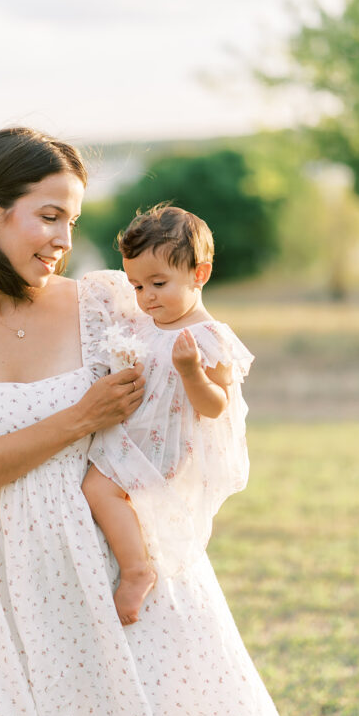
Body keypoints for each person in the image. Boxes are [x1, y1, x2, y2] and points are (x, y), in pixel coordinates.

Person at [0, 127, 297, 716]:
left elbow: (197, 367)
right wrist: (80, 418)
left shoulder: (106, 303)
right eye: (49, 217)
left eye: (72, 221)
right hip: (15, 597)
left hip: (131, 584)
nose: (64, 241)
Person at [82, 205, 245, 626]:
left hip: (164, 445)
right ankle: (138, 556)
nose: (146, 297)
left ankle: (137, 570)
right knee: (103, 491)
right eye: (137, 285)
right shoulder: (147, 322)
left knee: (98, 489)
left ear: (200, 275)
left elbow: (216, 406)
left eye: (158, 283)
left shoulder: (208, 336)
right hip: (136, 435)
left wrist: (191, 372)